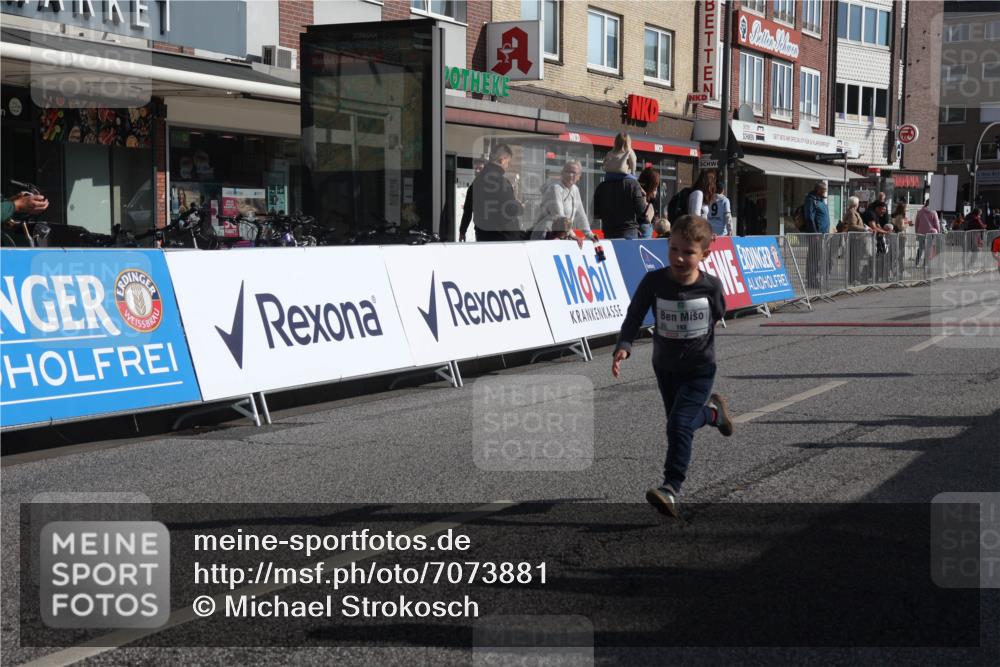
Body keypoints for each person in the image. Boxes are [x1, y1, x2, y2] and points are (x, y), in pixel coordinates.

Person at [612, 214, 734, 519]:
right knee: (678, 425)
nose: (679, 258)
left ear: (704, 254)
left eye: (688, 252)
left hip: (699, 369)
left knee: (678, 425)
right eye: (674, 249)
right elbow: (635, 314)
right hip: (665, 368)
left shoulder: (711, 287)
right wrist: (624, 346)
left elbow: (719, 312)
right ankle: (713, 413)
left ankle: (671, 487)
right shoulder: (654, 282)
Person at [464, 143, 523, 242]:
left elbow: (468, 208)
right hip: (504, 238)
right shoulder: (501, 181)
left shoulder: (476, 182)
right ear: (502, 160)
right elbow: (510, 209)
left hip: (483, 236)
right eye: (507, 162)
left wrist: (462, 230)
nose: (507, 166)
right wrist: (520, 207)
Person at [532, 160, 598, 247]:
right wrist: (573, 235)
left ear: (579, 176)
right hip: (546, 235)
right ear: (562, 173)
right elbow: (559, 216)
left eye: (574, 173)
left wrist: (590, 235)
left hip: (563, 235)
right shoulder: (555, 188)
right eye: (568, 172)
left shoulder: (575, 189)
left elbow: (581, 215)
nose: (571, 175)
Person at [593, 162, 647, 239]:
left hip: (609, 233)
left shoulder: (601, 187)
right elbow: (641, 211)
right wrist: (644, 196)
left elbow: (596, 214)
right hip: (629, 233)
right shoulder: (633, 184)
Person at [802, 181, 830, 289]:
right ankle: (811, 280)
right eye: (824, 190)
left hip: (823, 235)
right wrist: (814, 233)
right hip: (816, 235)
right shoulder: (811, 200)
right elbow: (809, 217)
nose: (825, 193)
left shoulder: (821, 200)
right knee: (813, 258)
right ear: (819, 190)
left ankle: (816, 279)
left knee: (819, 258)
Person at [458, 159, 486, 241]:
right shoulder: (473, 188)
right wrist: (462, 231)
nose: (477, 171)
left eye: (480, 168)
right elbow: (467, 211)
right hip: (481, 230)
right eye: (475, 168)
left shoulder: (496, 185)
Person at [913, 199, 941, 267]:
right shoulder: (933, 212)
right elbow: (937, 224)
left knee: (920, 248)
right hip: (930, 233)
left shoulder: (919, 212)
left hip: (921, 233)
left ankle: (916, 263)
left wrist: (916, 232)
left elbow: (917, 223)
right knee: (928, 249)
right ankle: (925, 264)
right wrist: (938, 231)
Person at [637, 167, 661, 239]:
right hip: (643, 227)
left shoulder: (636, 189)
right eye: (655, 187)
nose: (656, 191)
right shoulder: (640, 194)